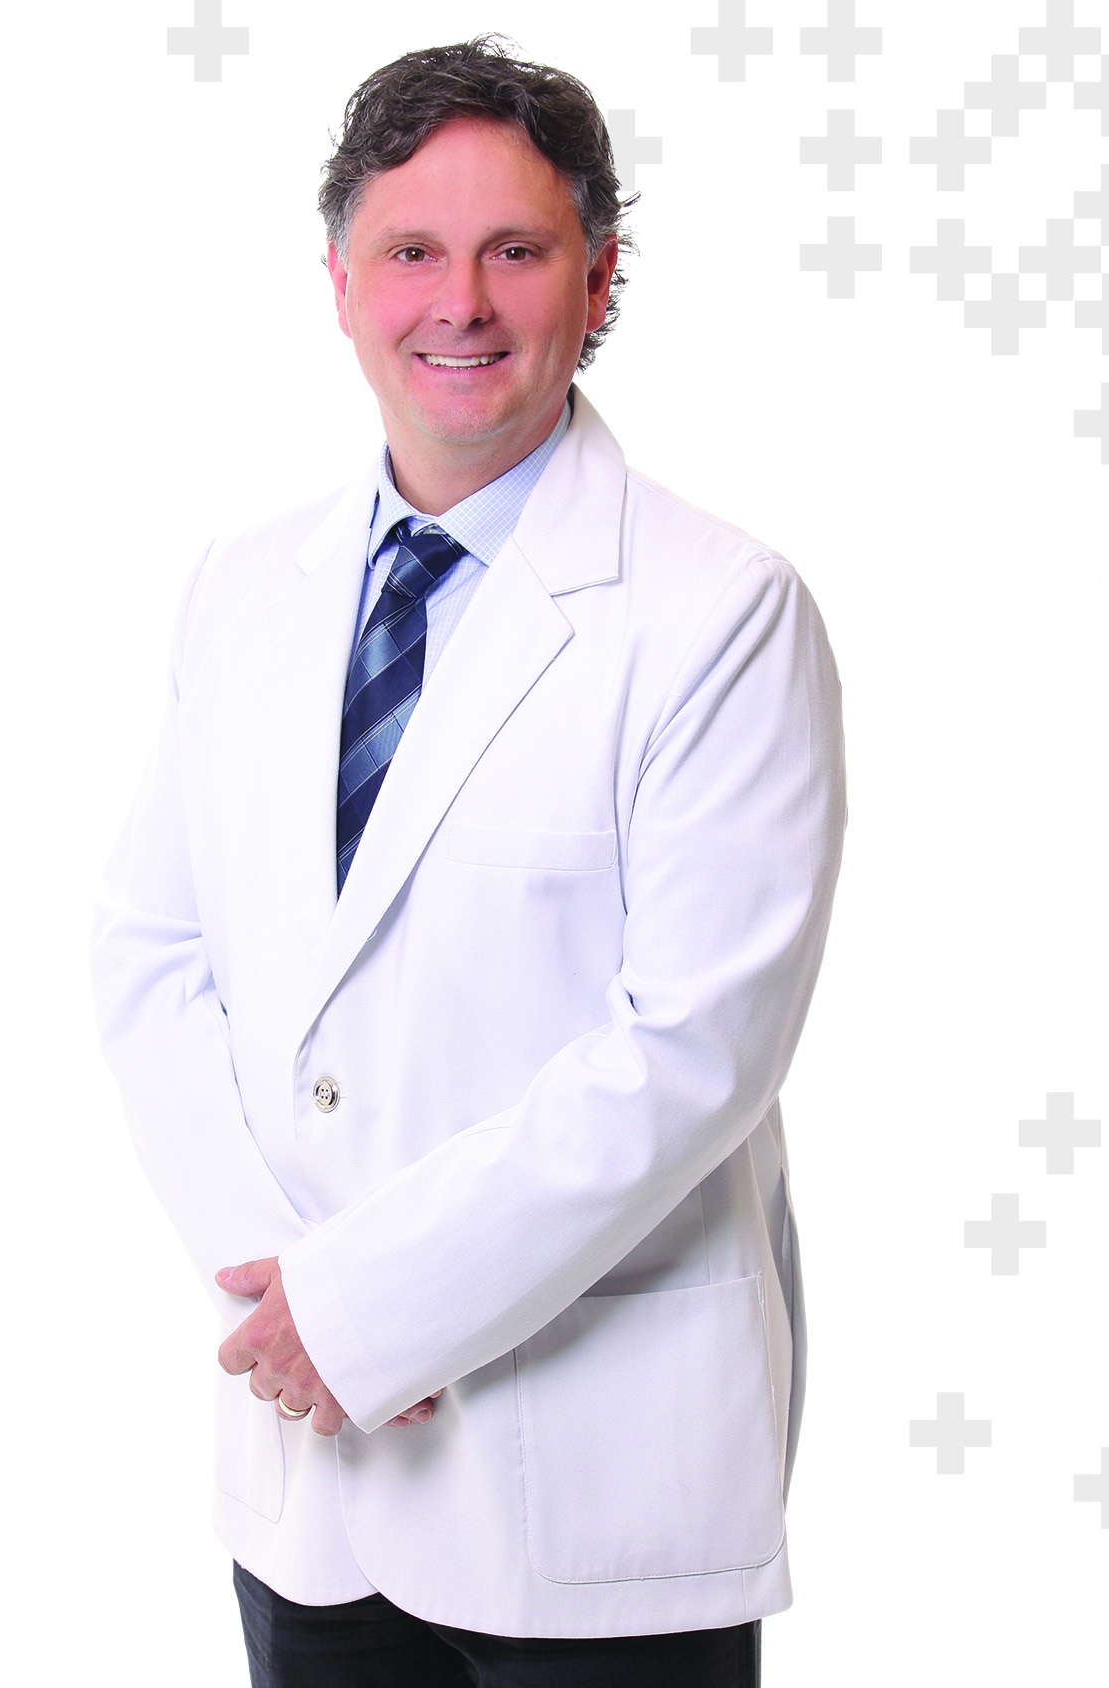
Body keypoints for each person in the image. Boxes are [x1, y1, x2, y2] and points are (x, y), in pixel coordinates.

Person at [90, 33, 847, 1688]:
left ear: (599, 278)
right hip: (307, 1477)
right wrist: (287, 1296)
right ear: (339, 285)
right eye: (410, 252)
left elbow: (694, 1049)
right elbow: (154, 956)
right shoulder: (243, 585)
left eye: (516, 250)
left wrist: (370, 1313)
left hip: (587, 1474)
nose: (460, 303)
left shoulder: (720, 612)